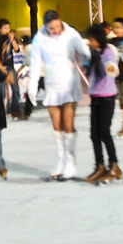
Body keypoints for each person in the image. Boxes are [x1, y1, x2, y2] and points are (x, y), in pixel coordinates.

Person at [28, 9, 90, 180]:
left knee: (68, 123)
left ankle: (70, 161)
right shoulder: (39, 38)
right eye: (51, 28)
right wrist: (32, 87)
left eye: (56, 27)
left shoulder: (71, 34)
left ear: (60, 21)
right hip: (52, 84)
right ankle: (61, 160)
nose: (55, 31)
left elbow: (86, 52)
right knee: (57, 125)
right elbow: (35, 63)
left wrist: (90, 62)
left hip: (69, 84)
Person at [83, 24, 123, 182]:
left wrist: (111, 68)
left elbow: (110, 64)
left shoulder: (107, 51)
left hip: (107, 98)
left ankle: (114, 166)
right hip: (96, 97)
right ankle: (100, 166)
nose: (90, 42)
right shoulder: (94, 51)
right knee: (94, 134)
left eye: (92, 39)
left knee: (104, 132)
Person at [0, 18, 22, 118]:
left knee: (16, 89)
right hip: (0, 68)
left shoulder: (10, 39)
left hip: (10, 67)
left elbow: (17, 49)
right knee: (1, 92)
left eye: (8, 28)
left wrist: (12, 39)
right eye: (4, 28)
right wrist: (1, 69)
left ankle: (15, 110)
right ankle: (0, 112)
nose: (7, 30)